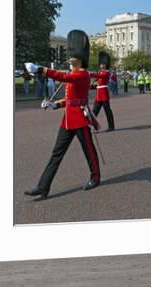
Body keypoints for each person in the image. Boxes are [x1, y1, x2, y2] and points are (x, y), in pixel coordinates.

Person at [24, 30, 101, 201]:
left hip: (80, 119)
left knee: (89, 151)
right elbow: (69, 99)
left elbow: (63, 77)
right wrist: (55, 104)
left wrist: (40, 69)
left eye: (72, 54)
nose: (69, 56)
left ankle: (95, 177)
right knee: (56, 154)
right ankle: (43, 187)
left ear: (80, 57)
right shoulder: (74, 74)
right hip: (68, 120)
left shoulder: (81, 74)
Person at [90, 51, 115, 132]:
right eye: (101, 64)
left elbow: (99, 76)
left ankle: (111, 126)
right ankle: (92, 127)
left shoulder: (106, 73)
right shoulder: (100, 72)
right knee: (94, 112)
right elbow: (97, 81)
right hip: (98, 95)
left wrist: (88, 73)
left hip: (104, 94)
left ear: (105, 64)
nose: (101, 65)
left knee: (107, 111)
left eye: (103, 64)